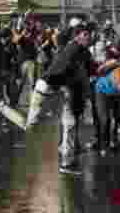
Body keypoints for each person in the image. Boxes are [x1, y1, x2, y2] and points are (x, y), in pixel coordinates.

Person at [26, 20, 94, 174]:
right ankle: (0, 106)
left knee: (69, 124)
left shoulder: (82, 51)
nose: (89, 37)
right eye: (85, 34)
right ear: (76, 36)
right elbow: (61, 73)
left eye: (89, 34)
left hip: (62, 92)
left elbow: (86, 70)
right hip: (47, 89)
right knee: (31, 126)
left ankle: (67, 162)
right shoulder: (72, 49)